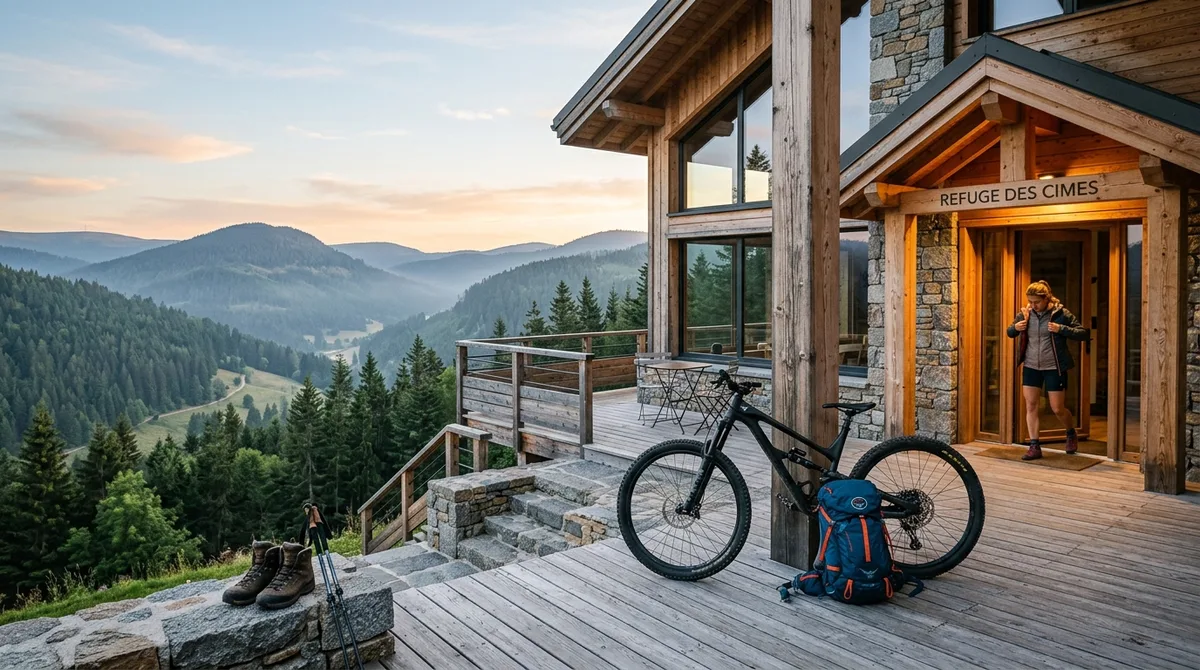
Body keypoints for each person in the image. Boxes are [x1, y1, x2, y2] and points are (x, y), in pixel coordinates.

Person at [1006, 280, 1090, 460]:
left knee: (1057, 408)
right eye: (1030, 301)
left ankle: (1070, 432)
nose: (1032, 305)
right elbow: (1009, 332)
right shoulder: (1025, 313)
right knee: (1031, 405)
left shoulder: (1061, 314)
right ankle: (1034, 446)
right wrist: (1016, 327)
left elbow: (1083, 333)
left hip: (1054, 366)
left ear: (1046, 299)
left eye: (1036, 302)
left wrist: (1061, 329)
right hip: (1031, 366)